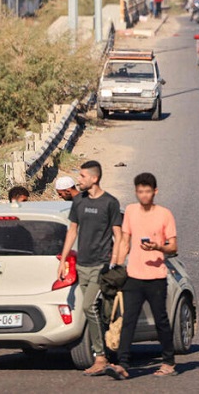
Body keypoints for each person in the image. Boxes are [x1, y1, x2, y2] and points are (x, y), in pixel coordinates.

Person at [105, 173, 177, 380]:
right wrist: (116, 266)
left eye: (147, 191)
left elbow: (173, 247)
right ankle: (123, 364)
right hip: (133, 276)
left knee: (161, 320)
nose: (143, 195)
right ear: (136, 192)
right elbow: (124, 241)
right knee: (129, 320)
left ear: (155, 192)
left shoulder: (165, 214)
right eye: (140, 191)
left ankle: (168, 362)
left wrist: (157, 246)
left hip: (156, 277)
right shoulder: (130, 211)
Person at [57, 161, 123, 376]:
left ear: (94, 179)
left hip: (101, 265)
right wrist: (63, 260)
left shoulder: (110, 203)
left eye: (83, 176)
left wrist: (114, 263)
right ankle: (109, 350)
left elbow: (119, 235)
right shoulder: (78, 202)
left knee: (88, 307)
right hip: (83, 264)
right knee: (97, 311)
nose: (79, 180)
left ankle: (100, 356)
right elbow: (72, 231)